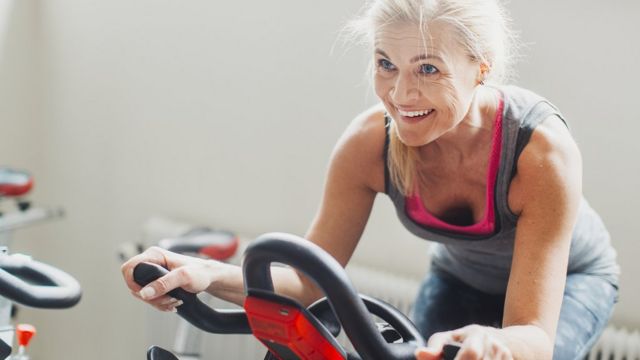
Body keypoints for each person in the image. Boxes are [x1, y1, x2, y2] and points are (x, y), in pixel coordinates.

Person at [121, 0, 620, 358]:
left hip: (573, 282)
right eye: (386, 64)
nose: (401, 93)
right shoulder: (370, 144)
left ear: (481, 68)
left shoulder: (540, 152)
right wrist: (205, 274)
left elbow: (532, 330)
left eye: (428, 69)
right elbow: (306, 279)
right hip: (460, 277)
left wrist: (500, 346)